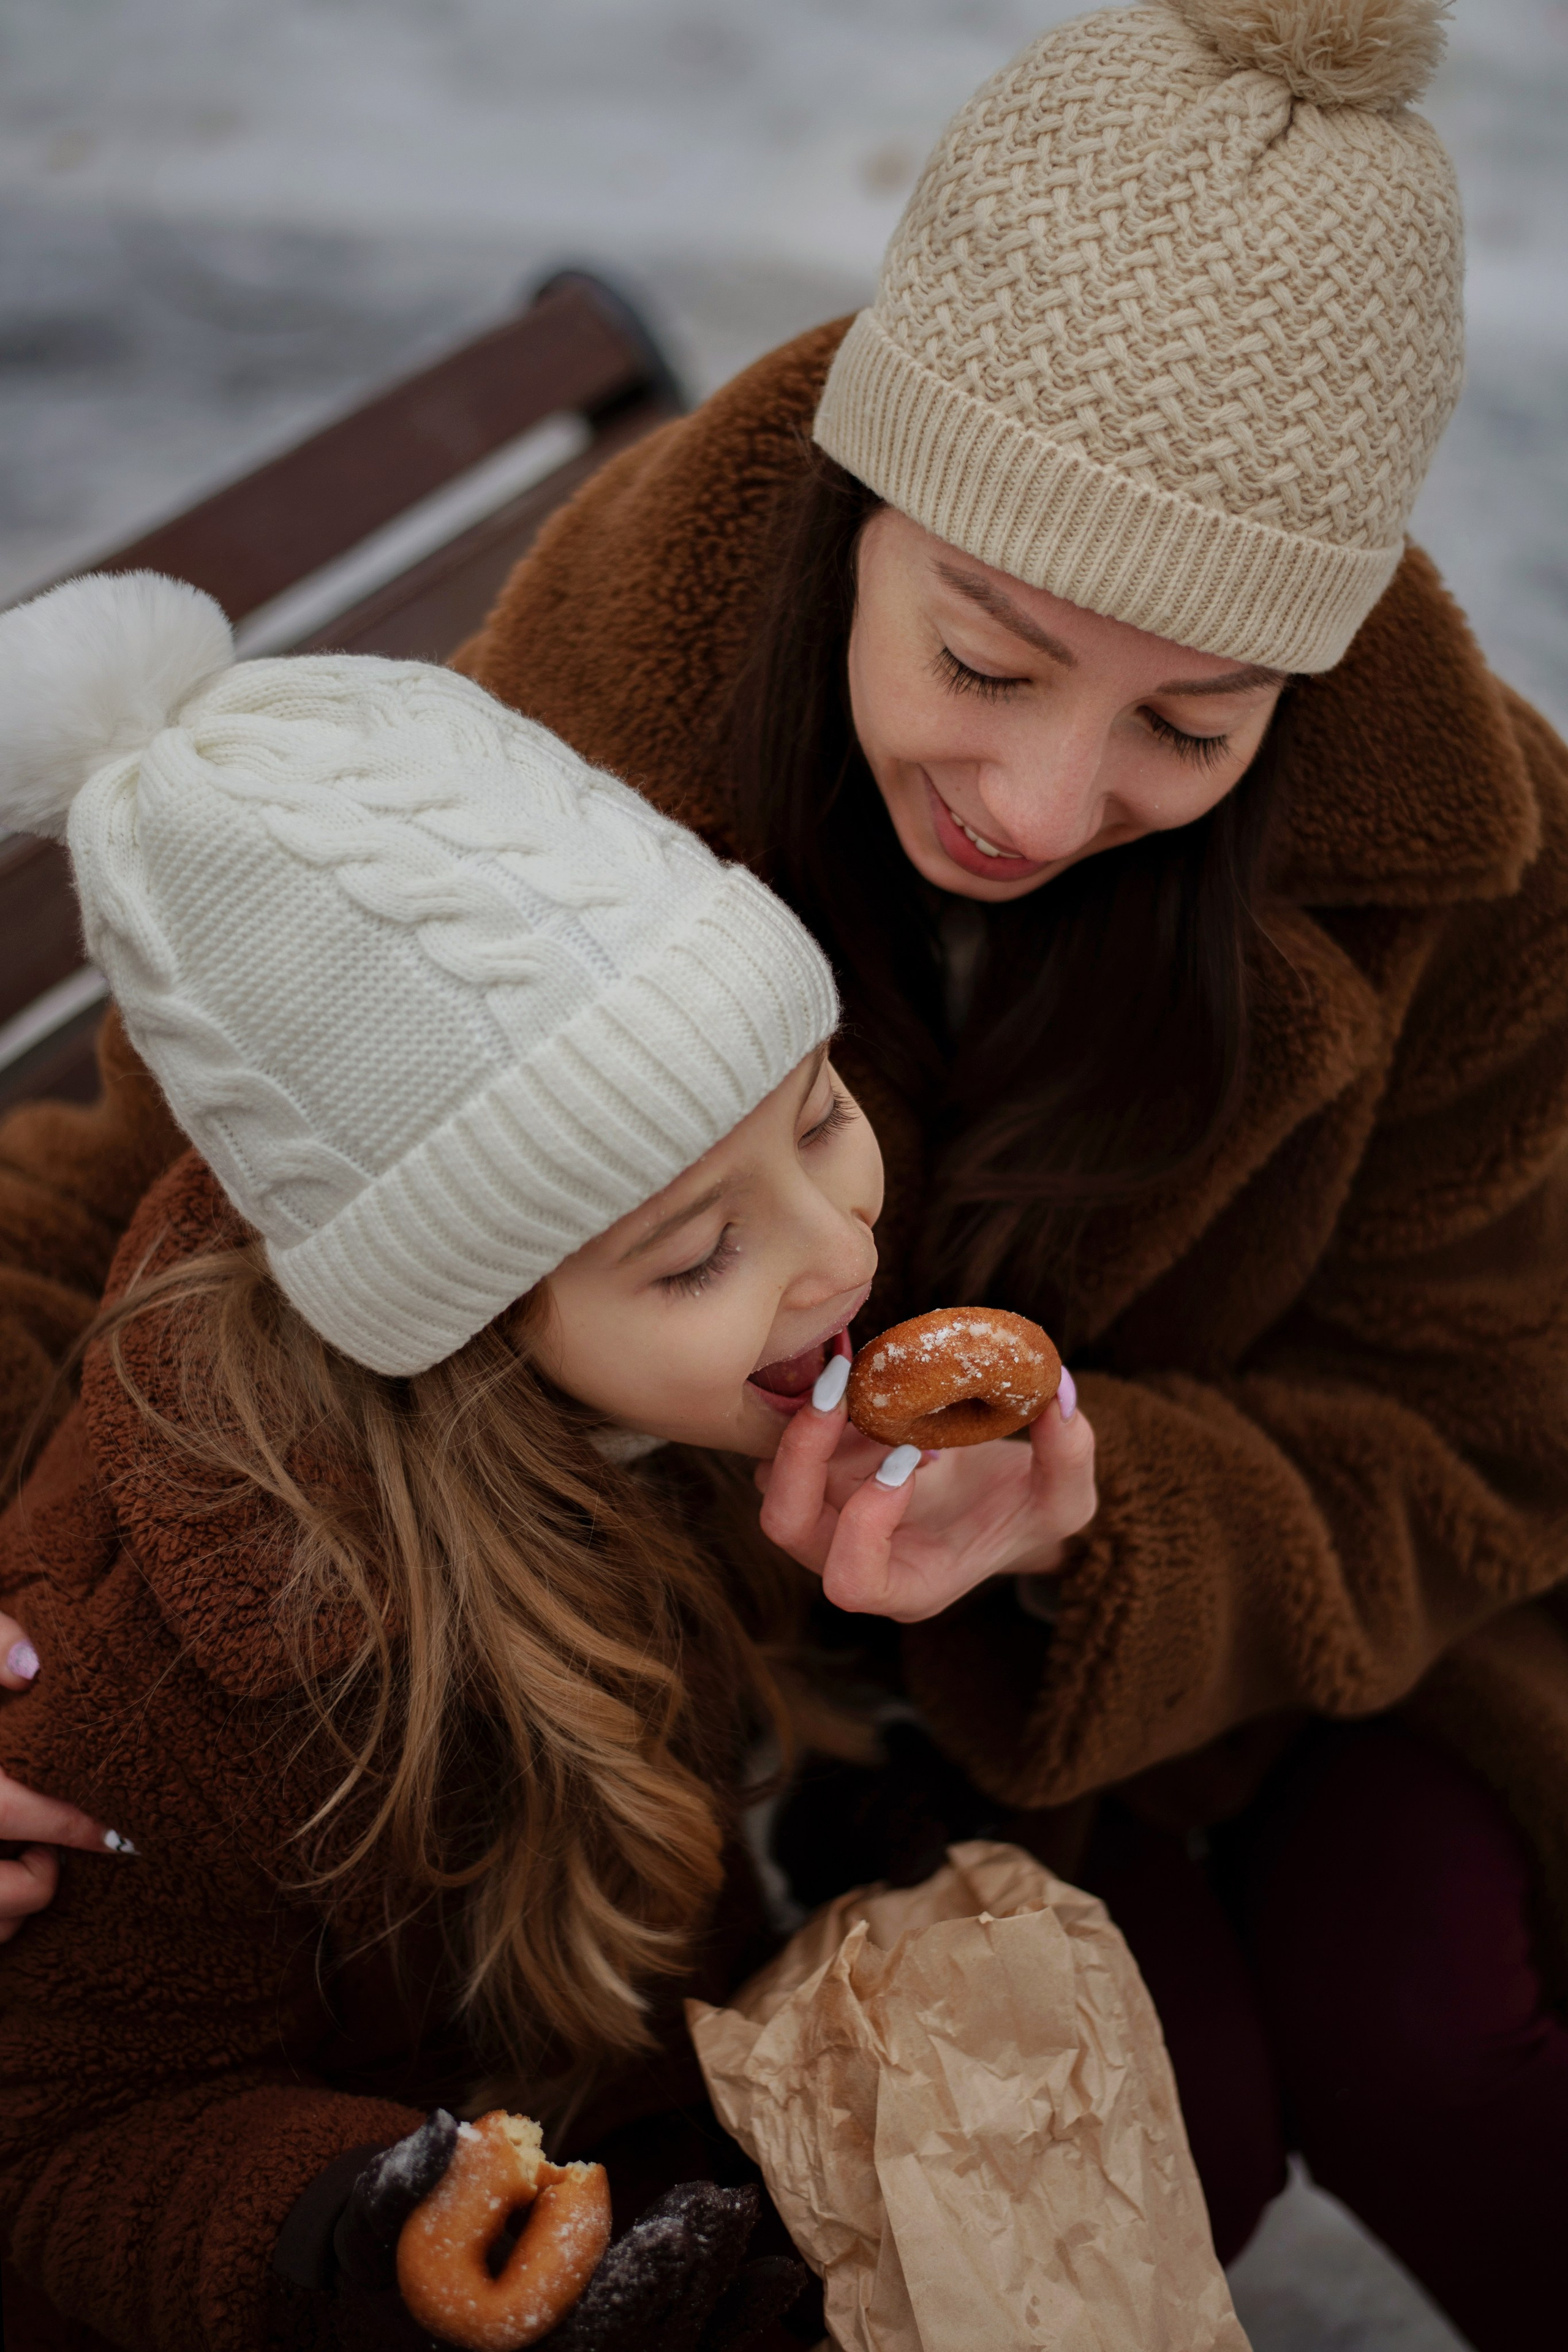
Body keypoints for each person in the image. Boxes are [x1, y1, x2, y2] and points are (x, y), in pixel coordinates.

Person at [1, 1, 1566, 2340]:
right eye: (988, 654)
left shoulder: (1478, 877)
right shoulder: (587, 715)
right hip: (712, 1735)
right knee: (1163, 2124)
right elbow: (162, 1188)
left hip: (1219, 1692)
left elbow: (1479, 1434)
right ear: (866, 509)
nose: (1038, 803)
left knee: (1429, 2024)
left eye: (1190, 727)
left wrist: (1090, 1526)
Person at [0, 573, 1094, 2352]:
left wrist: (872, 1771)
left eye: (822, 1114)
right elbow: (62, 2130)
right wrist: (355, 2231)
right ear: (467, 1316)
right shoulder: (170, 1686)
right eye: (692, 1255)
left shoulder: (686, 1395)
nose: (835, 1250)